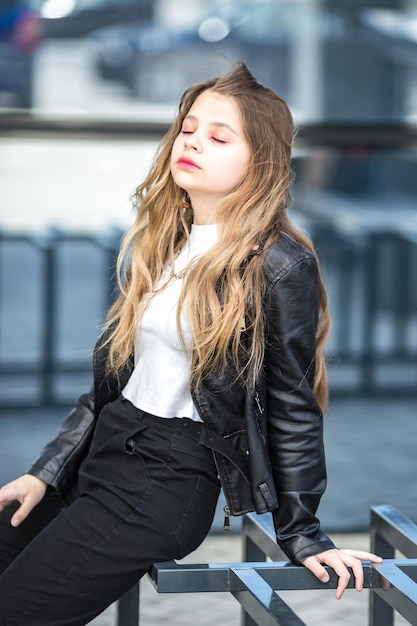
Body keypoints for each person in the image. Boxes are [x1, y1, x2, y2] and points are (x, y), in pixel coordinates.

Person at [0, 63, 381, 625]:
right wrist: (47, 470)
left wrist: (303, 535)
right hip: (102, 454)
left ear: (261, 161)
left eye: (219, 136)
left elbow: (293, 407)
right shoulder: (166, 241)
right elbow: (114, 384)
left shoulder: (277, 265)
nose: (194, 142)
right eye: (188, 129)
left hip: (164, 482)